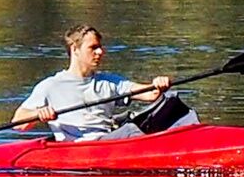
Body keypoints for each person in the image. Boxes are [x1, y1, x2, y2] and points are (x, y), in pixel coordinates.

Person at [10, 25, 187, 141]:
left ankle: (185, 139)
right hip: (79, 149)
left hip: (107, 142)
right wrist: (38, 113)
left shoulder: (109, 82)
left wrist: (158, 84)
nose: (100, 52)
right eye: (93, 48)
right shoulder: (50, 86)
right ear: (75, 49)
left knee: (170, 100)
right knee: (130, 131)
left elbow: (150, 94)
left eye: (100, 47)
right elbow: (18, 123)